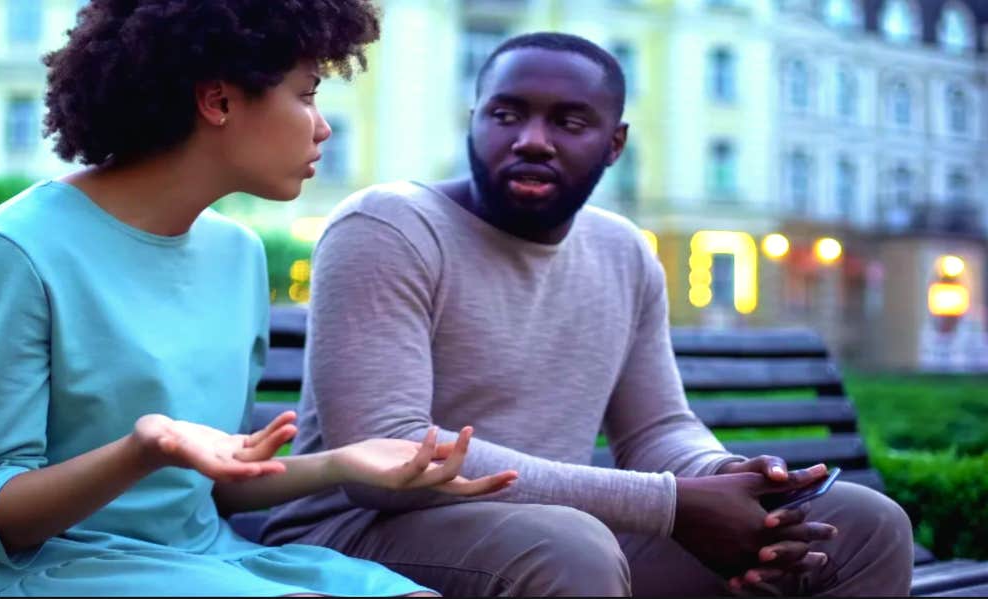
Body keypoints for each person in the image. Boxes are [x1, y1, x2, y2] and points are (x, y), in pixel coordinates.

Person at [262, 32, 914, 597]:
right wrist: (673, 503)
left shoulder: (623, 250)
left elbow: (657, 428)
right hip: (358, 535)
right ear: (473, 121)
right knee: (568, 545)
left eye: (569, 122)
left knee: (864, 524)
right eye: (506, 115)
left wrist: (727, 480)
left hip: (555, 530)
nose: (532, 140)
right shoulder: (389, 226)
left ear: (615, 142)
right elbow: (390, 454)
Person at [0, 1, 517, 596]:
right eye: (307, 93)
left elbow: (219, 481)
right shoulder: (16, 249)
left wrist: (344, 462)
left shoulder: (237, 255)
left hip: (202, 557)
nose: (322, 127)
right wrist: (145, 447)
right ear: (219, 102)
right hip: (45, 568)